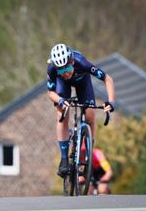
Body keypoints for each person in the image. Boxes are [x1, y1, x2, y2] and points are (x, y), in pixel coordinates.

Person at [46, 44, 116, 177]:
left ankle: (89, 153)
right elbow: (50, 93)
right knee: (61, 113)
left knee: (90, 115)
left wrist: (111, 101)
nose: (65, 73)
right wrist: (60, 100)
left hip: (82, 81)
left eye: (67, 68)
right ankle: (65, 159)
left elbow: (108, 79)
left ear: (72, 62)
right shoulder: (52, 68)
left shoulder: (82, 62)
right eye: (61, 71)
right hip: (63, 85)